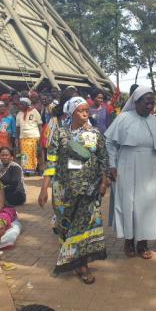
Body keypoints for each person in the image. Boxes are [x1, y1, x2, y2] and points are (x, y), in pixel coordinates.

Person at [38, 96, 108, 284]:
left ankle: (81, 264)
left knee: (84, 226)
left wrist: (103, 182)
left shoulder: (95, 134)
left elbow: (103, 159)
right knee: (66, 226)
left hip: (88, 190)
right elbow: (51, 162)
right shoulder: (60, 135)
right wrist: (44, 189)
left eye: (87, 110)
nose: (86, 113)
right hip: (64, 190)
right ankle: (74, 260)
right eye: (80, 110)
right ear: (71, 112)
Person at [105, 86, 156, 259]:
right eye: (146, 103)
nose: (149, 106)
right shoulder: (123, 118)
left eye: (151, 103)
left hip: (151, 166)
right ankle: (128, 241)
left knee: (147, 205)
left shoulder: (154, 120)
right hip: (128, 163)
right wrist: (112, 165)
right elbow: (110, 143)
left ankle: (143, 243)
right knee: (129, 204)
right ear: (136, 102)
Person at [16, 98, 42, 175]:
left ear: (27, 104)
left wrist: (40, 138)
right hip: (23, 138)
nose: (20, 105)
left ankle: (35, 170)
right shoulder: (19, 114)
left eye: (22, 104)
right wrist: (17, 139)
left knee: (34, 154)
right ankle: (27, 171)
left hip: (34, 137)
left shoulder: (35, 112)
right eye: (19, 104)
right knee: (24, 156)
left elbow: (40, 125)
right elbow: (18, 127)